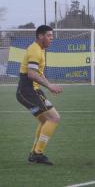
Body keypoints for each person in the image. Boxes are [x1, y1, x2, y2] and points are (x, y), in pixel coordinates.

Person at [16, 25, 63, 165]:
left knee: (46, 120)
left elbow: (38, 73)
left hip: (33, 91)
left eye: (52, 36)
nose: (51, 38)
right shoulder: (35, 50)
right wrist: (49, 86)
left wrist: (49, 86)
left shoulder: (40, 49)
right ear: (40, 36)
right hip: (27, 91)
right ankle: (38, 153)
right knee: (54, 118)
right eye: (49, 35)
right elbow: (31, 74)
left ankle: (34, 154)